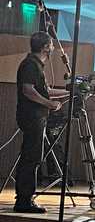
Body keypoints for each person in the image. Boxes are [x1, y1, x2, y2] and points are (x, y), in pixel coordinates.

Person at [14, 31, 68, 213]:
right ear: (46, 47)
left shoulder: (36, 65)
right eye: (51, 45)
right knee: (31, 158)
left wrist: (69, 93)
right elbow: (28, 91)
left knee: (32, 157)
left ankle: (24, 198)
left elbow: (44, 91)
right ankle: (24, 201)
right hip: (32, 117)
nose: (53, 47)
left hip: (36, 117)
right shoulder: (30, 65)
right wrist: (50, 104)